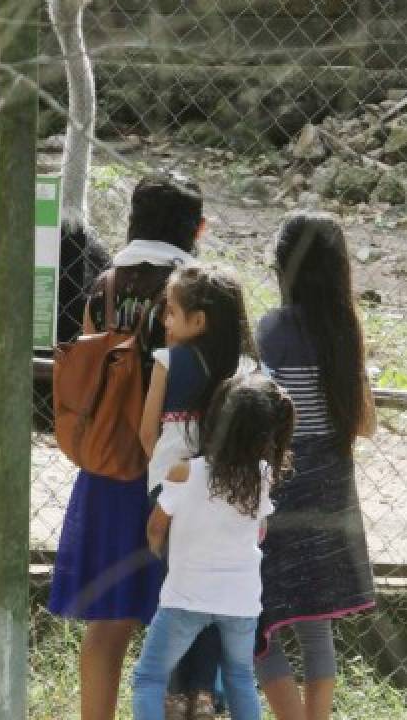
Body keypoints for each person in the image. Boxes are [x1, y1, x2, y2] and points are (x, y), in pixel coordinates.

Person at [49, 172, 206, 720]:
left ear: (134, 221)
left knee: (107, 621)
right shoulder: (195, 289)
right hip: (179, 469)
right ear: (198, 228)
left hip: (109, 466)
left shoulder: (104, 283)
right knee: (182, 618)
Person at [253, 210, 378, 720]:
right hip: (331, 488)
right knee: (315, 617)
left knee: (260, 618)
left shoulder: (271, 330)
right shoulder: (347, 330)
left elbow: (260, 416)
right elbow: (366, 425)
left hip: (278, 485)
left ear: (284, 266)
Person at [132, 373, 295, 720]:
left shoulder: (184, 472)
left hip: (186, 594)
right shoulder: (263, 476)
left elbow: (155, 527)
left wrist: (162, 554)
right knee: (239, 678)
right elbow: (259, 529)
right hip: (241, 599)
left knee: (149, 677)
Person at [138, 264, 258, 719]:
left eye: (170, 313)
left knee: (180, 590)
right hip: (233, 494)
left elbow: (147, 434)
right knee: (213, 595)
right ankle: (205, 696)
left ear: (199, 321)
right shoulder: (248, 368)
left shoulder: (169, 362)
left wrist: (164, 469)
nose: (165, 323)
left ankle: (174, 695)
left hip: (172, 490)